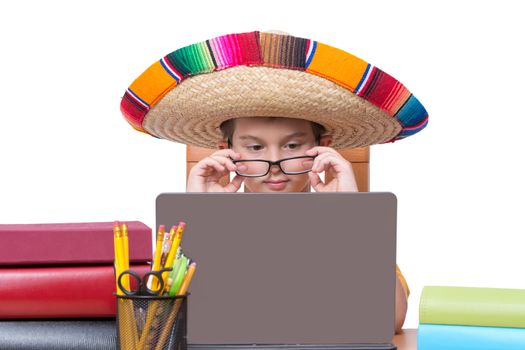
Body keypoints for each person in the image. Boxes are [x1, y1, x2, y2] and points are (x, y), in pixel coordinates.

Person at [120, 31, 428, 334]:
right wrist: (198, 217)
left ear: (324, 147)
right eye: (255, 148)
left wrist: (350, 214)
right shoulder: (212, 222)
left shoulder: (352, 226)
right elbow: (159, 325)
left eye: (293, 146)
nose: (274, 167)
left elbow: (390, 320)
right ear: (225, 152)